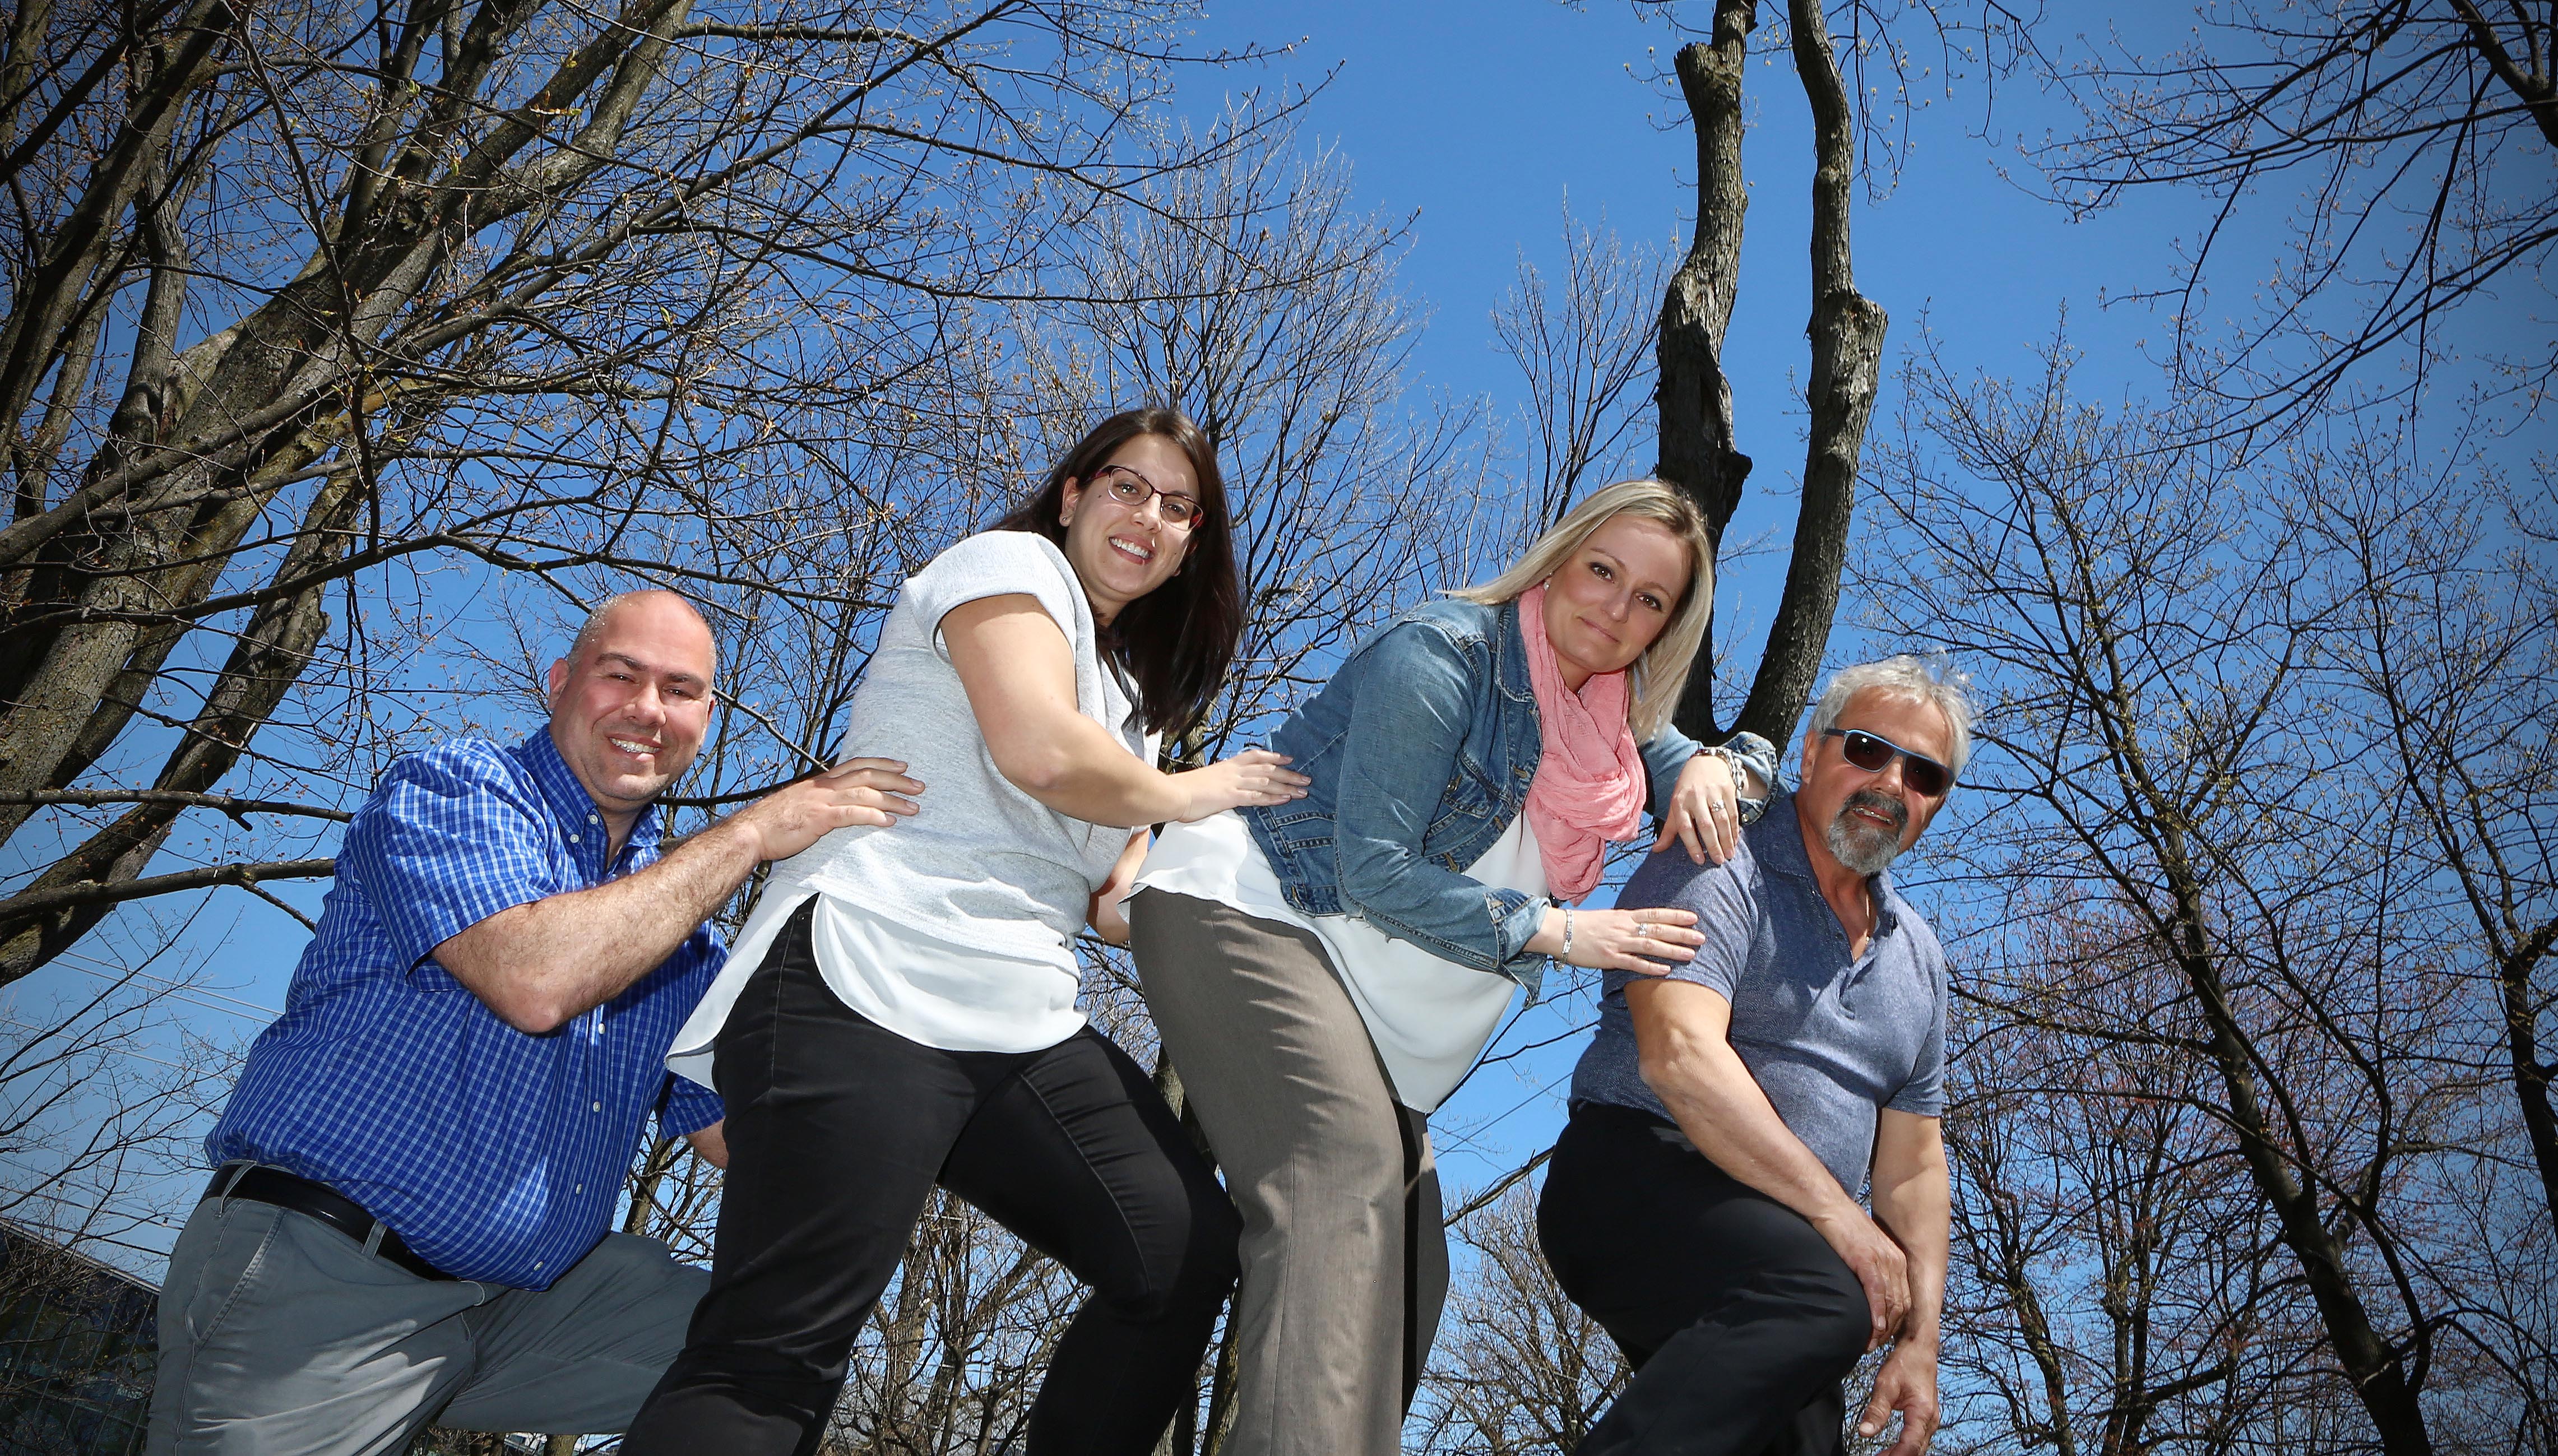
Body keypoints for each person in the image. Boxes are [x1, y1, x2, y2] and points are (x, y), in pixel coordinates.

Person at [621, 407, 1295, 1456]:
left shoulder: (1129, 702)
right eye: (1126, 486)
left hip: (1016, 1005)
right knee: (779, 1352)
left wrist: (1297, 915)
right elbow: (1036, 745)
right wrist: (1204, 788)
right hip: (866, 966)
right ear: (1073, 496)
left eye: (1179, 507)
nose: (1148, 517)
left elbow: (1116, 897)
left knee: (1183, 1249)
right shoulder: (1003, 567)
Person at [148, 590, 920, 1455]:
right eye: (619, 675)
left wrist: (920, 1029)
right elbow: (539, 978)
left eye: (679, 689)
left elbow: (746, 1140)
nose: (647, 710)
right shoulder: (458, 787)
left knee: (773, 1349)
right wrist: (748, 835)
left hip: (522, 1304)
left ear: (706, 716)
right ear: (559, 682)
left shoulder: (675, 938)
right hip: (329, 1274)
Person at [1125, 479, 1781, 1455]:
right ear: (1559, 560)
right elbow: (1374, 869)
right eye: (1603, 570)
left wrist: (1720, 766)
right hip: (1251, 913)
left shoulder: (1612, 725)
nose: (1615, 608)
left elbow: (1746, 765)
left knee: (1408, 1274)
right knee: (1337, 1182)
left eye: (1651, 599)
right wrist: (1560, 931)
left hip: (1364, 1004)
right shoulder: (1447, 651)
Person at [1538, 654, 1972, 1456]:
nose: (1891, 783)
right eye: (1869, 750)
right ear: (1811, 753)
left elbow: (1912, 1167)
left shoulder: (1921, 963)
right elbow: (1679, 1056)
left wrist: (1921, 1339)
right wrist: (1841, 1219)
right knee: (1821, 1295)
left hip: (1787, 1251)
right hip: (1632, 1173)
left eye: (1925, 774)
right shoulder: (1718, 855)